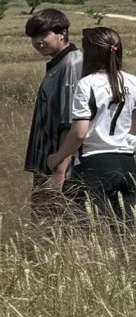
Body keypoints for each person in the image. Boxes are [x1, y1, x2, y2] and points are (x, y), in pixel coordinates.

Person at [43, 26, 134, 225]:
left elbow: (80, 133)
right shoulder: (132, 82)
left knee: (90, 229)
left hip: (94, 165)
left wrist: (58, 157)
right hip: (128, 163)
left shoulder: (87, 84)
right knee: (126, 230)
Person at [25, 9, 84, 216]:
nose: (38, 41)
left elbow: (71, 121)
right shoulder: (58, 64)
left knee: (59, 225)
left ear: (62, 33)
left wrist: (59, 171)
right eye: (34, 37)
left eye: (43, 35)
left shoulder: (72, 64)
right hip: (48, 162)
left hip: (59, 165)